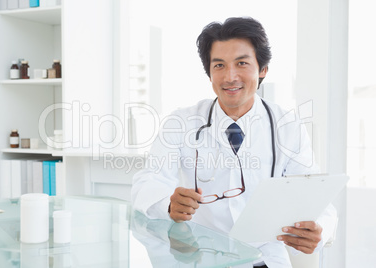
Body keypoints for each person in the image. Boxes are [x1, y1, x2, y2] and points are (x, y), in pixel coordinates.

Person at [131, 17, 337, 268]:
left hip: (263, 261)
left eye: (242, 63)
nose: (230, 77)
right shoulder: (181, 122)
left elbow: (314, 195)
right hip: (203, 259)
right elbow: (148, 182)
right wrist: (169, 203)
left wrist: (320, 229)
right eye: (219, 65)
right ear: (209, 73)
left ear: (262, 70)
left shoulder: (288, 127)